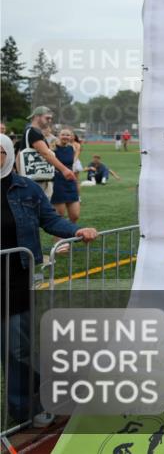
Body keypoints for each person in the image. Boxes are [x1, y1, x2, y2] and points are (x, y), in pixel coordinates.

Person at [1, 134, 97, 426]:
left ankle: (25, 411)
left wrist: (76, 231)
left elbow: (49, 220)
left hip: (15, 277)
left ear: (6, 153)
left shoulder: (26, 188)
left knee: (17, 347)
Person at [17, 107, 74, 199]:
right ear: (36, 117)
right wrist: (64, 169)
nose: (50, 121)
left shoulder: (29, 131)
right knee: (41, 209)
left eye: (51, 118)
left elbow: (19, 155)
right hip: (38, 179)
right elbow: (45, 153)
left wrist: (21, 174)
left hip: (33, 178)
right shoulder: (34, 132)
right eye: (47, 118)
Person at [51, 129, 81, 223]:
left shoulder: (73, 148)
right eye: (63, 134)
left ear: (71, 137)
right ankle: (59, 237)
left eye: (68, 135)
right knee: (59, 217)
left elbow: (74, 164)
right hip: (58, 182)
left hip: (70, 182)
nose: (65, 137)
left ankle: (70, 234)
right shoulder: (52, 148)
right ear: (59, 135)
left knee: (75, 216)